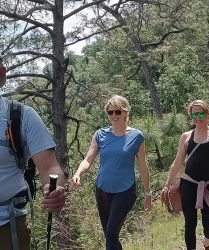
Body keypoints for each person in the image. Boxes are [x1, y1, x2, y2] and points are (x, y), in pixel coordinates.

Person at [0, 57, 66, 249]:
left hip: (8, 227)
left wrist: (56, 189)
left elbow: (51, 167)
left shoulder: (21, 117)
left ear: (1, 75)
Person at [71, 95, 152, 250]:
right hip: (102, 190)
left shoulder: (136, 136)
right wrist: (78, 174)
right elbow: (88, 159)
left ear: (126, 112)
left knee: (111, 232)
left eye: (118, 112)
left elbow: (143, 165)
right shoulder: (100, 135)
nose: (114, 115)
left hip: (125, 191)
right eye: (110, 112)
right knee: (110, 235)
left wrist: (148, 194)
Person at [160, 100, 209, 250]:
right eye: (194, 114)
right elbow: (177, 163)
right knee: (190, 223)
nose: (198, 117)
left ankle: (207, 243)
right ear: (191, 115)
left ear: (208, 115)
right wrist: (167, 185)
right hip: (189, 184)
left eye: (201, 113)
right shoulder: (186, 136)